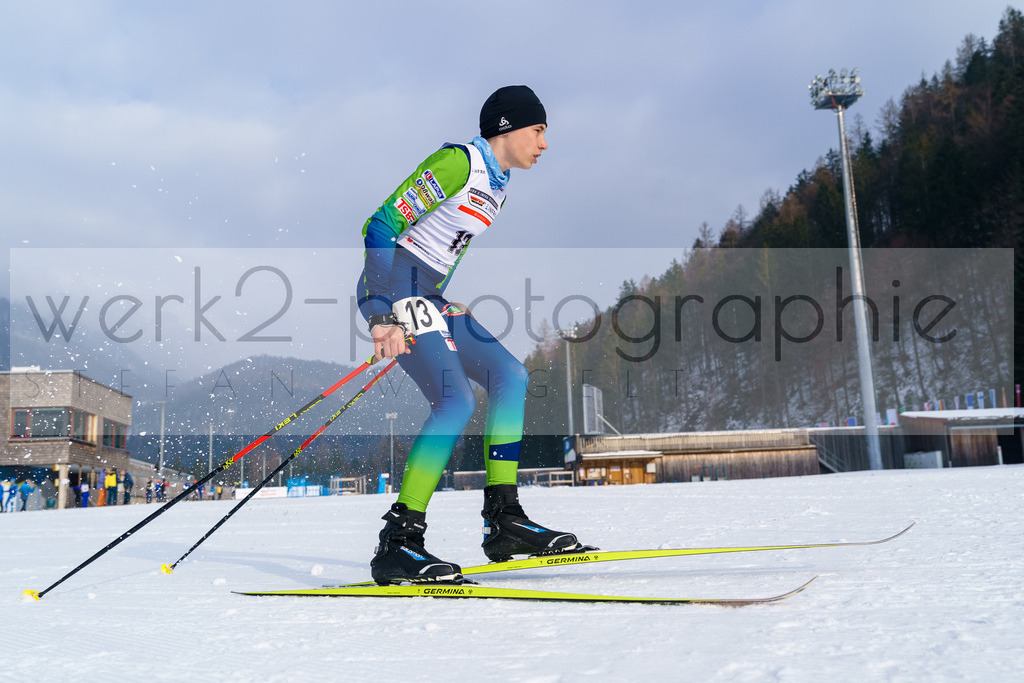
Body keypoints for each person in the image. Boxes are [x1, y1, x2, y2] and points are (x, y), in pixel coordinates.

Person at [355, 85, 586, 586]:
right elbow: (381, 225)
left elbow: (443, 244)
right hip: (395, 286)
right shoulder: (459, 163)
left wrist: (439, 299)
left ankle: (505, 520)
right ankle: (398, 542)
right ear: (507, 127)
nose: (544, 143)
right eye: (538, 130)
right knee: (455, 401)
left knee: (511, 375)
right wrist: (381, 313)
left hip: (426, 293)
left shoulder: (499, 186)